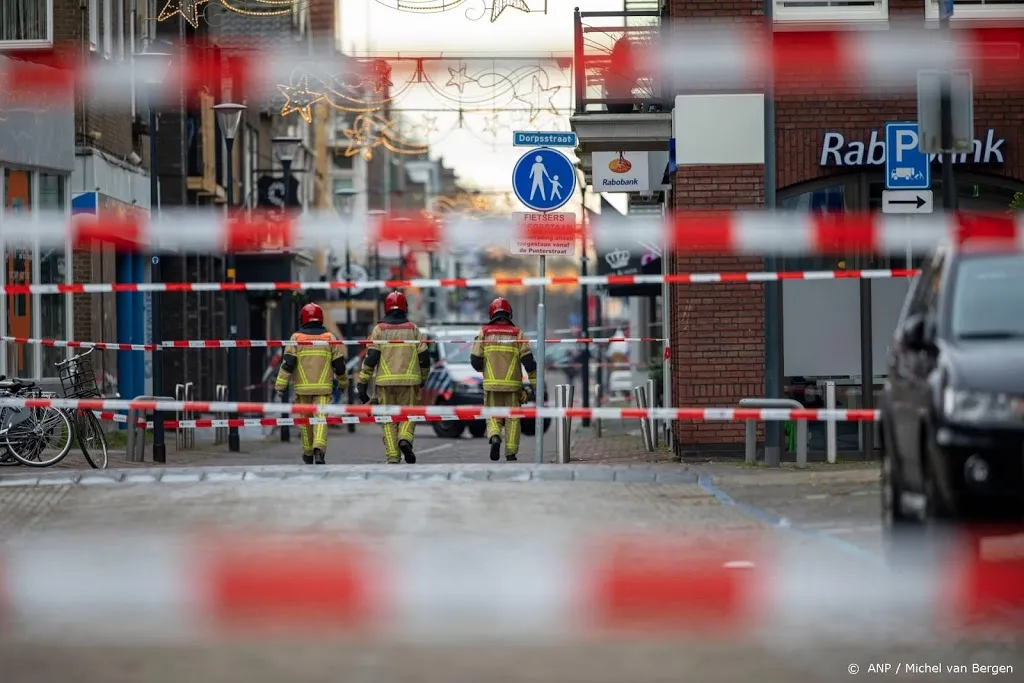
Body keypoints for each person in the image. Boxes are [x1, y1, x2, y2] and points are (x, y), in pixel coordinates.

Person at [356, 291, 430, 464]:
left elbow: (371, 358)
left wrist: (362, 383)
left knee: (388, 421)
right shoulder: (413, 329)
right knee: (408, 414)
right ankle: (404, 438)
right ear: (405, 308)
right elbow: (425, 358)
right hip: (410, 381)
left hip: (385, 383)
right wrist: (423, 378)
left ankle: (393, 457)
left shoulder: (379, 330)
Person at [274, 302, 348, 465]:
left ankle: (307, 453)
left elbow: (288, 364)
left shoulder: (296, 338)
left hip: (302, 390)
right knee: (320, 419)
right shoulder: (329, 338)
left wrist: (280, 386)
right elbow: (339, 365)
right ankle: (319, 449)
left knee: (305, 422)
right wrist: (343, 383)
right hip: (323, 389)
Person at [471, 297, 537, 462]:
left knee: (492, 415)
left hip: (491, 386)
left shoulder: (484, 332)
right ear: (509, 313)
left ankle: (494, 436)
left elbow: (475, 360)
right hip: (513, 387)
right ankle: (511, 453)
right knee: (513, 420)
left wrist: (483, 369)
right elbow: (529, 362)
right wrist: (535, 385)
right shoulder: (517, 333)